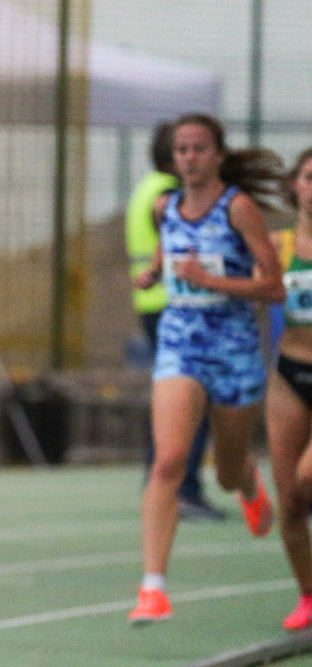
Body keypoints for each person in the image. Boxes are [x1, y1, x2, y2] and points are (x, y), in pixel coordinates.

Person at [127, 113, 285, 624]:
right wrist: (156, 270)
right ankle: (153, 588)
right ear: (173, 159)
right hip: (180, 343)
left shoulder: (239, 208)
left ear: (218, 154)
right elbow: (171, 248)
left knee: (227, 469)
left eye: (199, 148)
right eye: (182, 150)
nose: (190, 158)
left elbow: (274, 287)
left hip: (234, 349)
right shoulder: (164, 207)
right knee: (168, 461)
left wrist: (208, 280)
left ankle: (247, 483)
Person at [126, 121, 224, 522]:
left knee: (172, 400)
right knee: (190, 400)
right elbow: (183, 239)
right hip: (176, 305)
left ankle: (163, 482)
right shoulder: (167, 197)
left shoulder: (147, 188)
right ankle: (183, 489)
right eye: (185, 148)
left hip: (156, 304)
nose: (193, 157)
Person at [266, 147, 312, 631]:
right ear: (295, 185)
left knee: (307, 477)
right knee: (292, 500)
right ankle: (308, 595)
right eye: (310, 178)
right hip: (288, 378)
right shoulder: (277, 245)